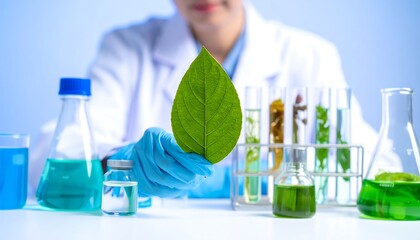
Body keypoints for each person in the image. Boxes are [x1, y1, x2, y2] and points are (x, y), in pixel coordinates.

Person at [29, 0, 379, 199]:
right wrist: (119, 164)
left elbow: (379, 162)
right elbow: (53, 154)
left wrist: (259, 181)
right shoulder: (126, 49)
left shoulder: (309, 56)